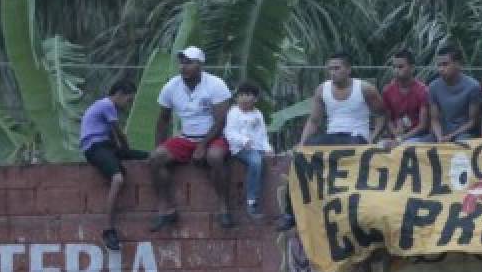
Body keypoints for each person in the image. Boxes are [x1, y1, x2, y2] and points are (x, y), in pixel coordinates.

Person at [276, 54, 386, 231]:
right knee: (300, 159)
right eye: (330, 69)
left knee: (344, 157)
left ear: (348, 69)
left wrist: (372, 140)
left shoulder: (365, 89)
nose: (333, 73)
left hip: (356, 136)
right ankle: (290, 213)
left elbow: (382, 115)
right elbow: (314, 121)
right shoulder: (322, 89)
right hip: (332, 135)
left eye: (337, 68)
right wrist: (302, 144)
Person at [148, 46, 234, 231]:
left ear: (200, 65)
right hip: (186, 138)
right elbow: (163, 119)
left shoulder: (215, 84)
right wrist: (159, 146)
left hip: (213, 136)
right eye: (182, 62)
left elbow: (221, 120)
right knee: (155, 159)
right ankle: (166, 209)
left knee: (215, 157)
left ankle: (223, 207)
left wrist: (202, 145)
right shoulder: (171, 86)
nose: (183, 67)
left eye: (189, 63)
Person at [80, 81, 146, 250]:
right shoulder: (107, 105)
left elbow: (112, 139)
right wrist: (126, 151)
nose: (128, 105)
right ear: (119, 94)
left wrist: (127, 153)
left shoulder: (103, 108)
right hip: (95, 147)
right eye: (128, 100)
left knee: (147, 156)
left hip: (105, 146)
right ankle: (108, 228)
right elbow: (120, 134)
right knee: (117, 179)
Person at [223, 81, 273, 219]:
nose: (244, 98)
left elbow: (262, 134)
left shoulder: (258, 114)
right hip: (239, 149)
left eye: (248, 95)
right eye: (241, 95)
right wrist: (243, 141)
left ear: (255, 99)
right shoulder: (233, 113)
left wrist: (268, 148)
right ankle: (252, 201)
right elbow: (229, 132)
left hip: (256, 148)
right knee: (256, 162)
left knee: (265, 161)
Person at [428, 45, 482, 143]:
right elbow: (434, 119)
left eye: (445, 65)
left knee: (460, 144)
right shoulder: (433, 87)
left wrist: (451, 136)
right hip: (441, 133)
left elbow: (472, 122)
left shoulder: (473, 86)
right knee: (415, 145)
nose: (441, 69)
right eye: (439, 65)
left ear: (458, 64)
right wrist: (440, 137)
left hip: (464, 133)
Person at [379, 49, 431, 145]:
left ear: (412, 68)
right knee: (379, 147)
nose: (396, 70)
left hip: (417, 137)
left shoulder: (423, 91)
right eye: (394, 67)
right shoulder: (387, 90)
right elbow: (388, 119)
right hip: (395, 136)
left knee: (405, 146)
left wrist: (401, 139)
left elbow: (423, 125)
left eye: (400, 67)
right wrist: (395, 135)